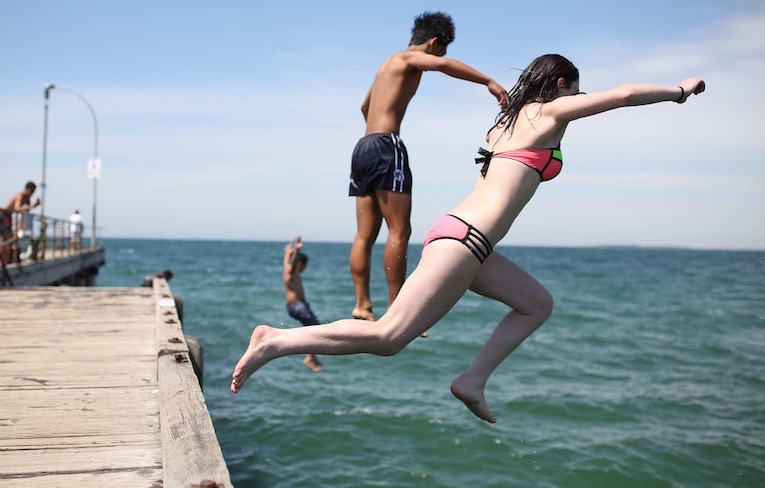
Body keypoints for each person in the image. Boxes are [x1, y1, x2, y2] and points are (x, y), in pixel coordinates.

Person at [232, 54, 706, 424]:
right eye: (575, 89)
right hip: (466, 240)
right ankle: (276, 340)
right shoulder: (550, 111)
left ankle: (473, 380)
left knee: (537, 304)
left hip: (468, 242)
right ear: (561, 85)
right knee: (388, 337)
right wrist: (679, 92)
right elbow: (623, 94)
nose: (578, 97)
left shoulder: (505, 122)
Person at [348, 11, 509, 323]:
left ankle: (362, 305)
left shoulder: (386, 64)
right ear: (434, 42)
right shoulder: (409, 59)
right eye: (441, 49)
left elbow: (365, 106)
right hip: (385, 146)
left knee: (364, 235)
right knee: (400, 229)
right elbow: (443, 66)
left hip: (363, 147)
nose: (440, 56)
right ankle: (398, 310)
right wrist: (488, 81)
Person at [283, 236, 324, 372]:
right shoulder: (293, 271)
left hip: (299, 305)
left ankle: (312, 355)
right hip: (297, 306)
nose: (305, 269)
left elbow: (287, 263)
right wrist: (296, 251)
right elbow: (293, 264)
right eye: (305, 266)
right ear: (301, 265)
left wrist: (288, 253)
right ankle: (310, 357)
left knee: (313, 328)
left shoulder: (288, 270)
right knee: (316, 328)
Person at [0, 181, 40, 264]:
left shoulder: (26, 198)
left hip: (8, 216)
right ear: (28, 189)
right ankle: (2, 261)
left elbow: (26, 209)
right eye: (32, 192)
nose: (32, 194)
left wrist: (32, 205)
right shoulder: (20, 196)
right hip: (4, 215)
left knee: (9, 239)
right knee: (8, 239)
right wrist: (32, 206)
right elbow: (17, 208)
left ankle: (6, 261)